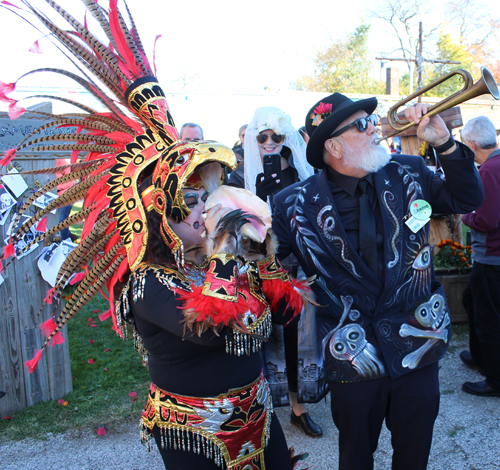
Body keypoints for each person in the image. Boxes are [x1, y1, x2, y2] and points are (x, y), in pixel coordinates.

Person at [1, 2, 310, 469]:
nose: (205, 206)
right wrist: (225, 248)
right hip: (195, 437)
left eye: (204, 195)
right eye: (190, 200)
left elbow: (285, 314)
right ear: (157, 215)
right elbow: (213, 327)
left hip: (259, 421)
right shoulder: (146, 283)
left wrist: (262, 253)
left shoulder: (222, 262)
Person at [271, 92, 485, 470]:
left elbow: (468, 198)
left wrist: (446, 144)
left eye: (370, 119)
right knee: (355, 457)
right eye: (361, 124)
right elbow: (276, 271)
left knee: (414, 455)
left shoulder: (410, 171)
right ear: (333, 146)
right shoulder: (291, 203)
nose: (374, 128)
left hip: (418, 344)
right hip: (352, 359)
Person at [228, 107, 324, 438]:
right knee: (258, 343)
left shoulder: (301, 174)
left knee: (298, 343)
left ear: (286, 139)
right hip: (255, 274)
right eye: (262, 136)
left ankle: (298, 408)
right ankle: (259, 412)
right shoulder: (238, 178)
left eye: (276, 136)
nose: (269, 143)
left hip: (296, 271)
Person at [460, 115, 500, 397]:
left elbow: (486, 221)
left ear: (472, 144)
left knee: (489, 319)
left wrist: (465, 216)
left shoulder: (488, 170)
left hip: (491, 256)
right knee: (470, 300)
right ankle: (480, 354)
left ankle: (495, 379)